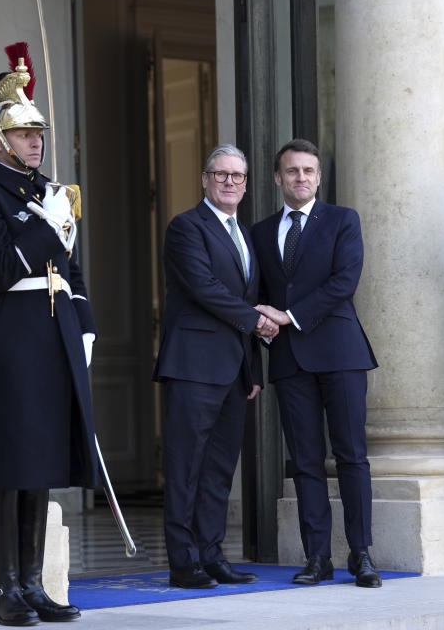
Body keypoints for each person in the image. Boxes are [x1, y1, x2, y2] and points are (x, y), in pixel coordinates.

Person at [0, 43, 100, 625]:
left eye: (39, 132)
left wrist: (85, 324)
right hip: (8, 335)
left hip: (54, 332)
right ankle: (6, 590)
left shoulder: (51, 192)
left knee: (41, 463)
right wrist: (52, 227)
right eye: (24, 132)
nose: (36, 141)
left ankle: (34, 584)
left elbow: (74, 273)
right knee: (8, 467)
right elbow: (3, 269)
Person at [251, 138, 381, 588]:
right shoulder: (260, 232)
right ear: (277, 178)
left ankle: (361, 555)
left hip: (341, 353)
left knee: (351, 457)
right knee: (305, 462)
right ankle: (317, 557)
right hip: (289, 360)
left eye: (308, 171)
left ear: (319, 177)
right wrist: (261, 321)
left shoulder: (343, 221)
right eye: (291, 171)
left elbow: (344, 281)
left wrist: (289, 317)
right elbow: (257, 294)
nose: (300, 178)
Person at [153, 144, 278, 589]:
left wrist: (254, 371)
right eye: (221, 174)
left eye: (238, 176)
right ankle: (183, 562)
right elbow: (203, 288)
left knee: (219, 468)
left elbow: (246, 296)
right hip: (193, 366)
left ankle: (212, 555)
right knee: (186, 465)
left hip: (235, 371)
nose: (230, 182)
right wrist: (256, 319)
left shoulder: (243, 235)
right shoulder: (186, 227)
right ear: (204, 179)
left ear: (246, 184)